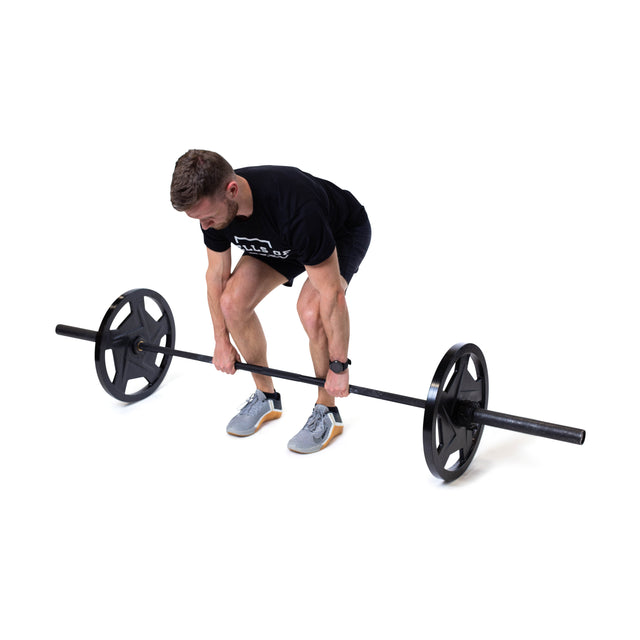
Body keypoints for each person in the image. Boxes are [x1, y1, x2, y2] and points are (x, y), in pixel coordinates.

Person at [170, 150, 371, 453]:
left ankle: (327, 410)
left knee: (311, 310)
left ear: (232, 191)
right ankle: (266, 397)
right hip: (280, 241)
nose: (206, 226)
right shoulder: (213, 210)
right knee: (231, 303)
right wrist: (221, 341)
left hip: (337, 232)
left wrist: (339, 366)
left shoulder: (295, 206)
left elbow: (332, 295)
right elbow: (216, 276)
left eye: (208, 217)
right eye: (199, 220)